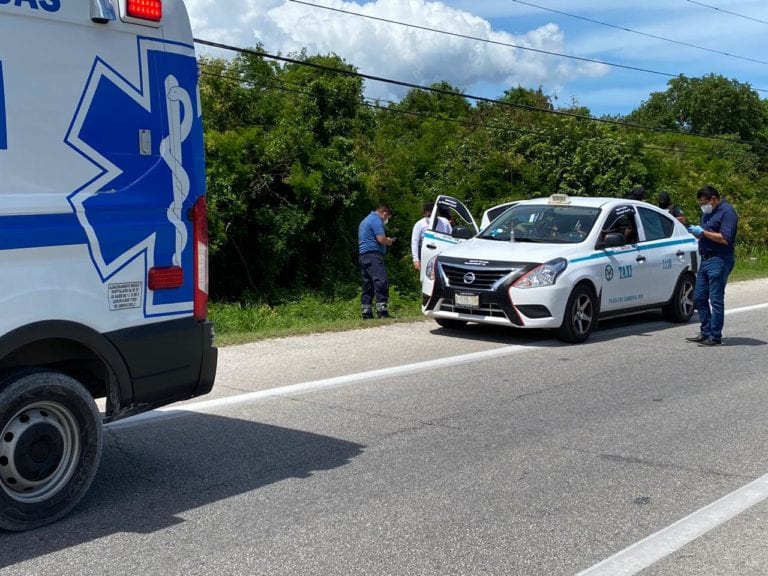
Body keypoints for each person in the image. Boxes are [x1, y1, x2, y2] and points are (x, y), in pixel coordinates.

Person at [685, 185, 738, 346]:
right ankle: (705, 331)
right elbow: (706, 233)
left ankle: (715, 336)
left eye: (704, 202)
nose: (703, 206)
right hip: (706, 258)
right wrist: (698, 233)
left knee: (715, 299)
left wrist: (703, 233)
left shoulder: (727, 212)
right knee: (699, 297)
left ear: (713, 199)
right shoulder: (708, 214)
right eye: (700, 203)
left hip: (720, 259)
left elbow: (725, 238)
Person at [358, 205, 395, 319]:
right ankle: (382, 312)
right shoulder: (376, 220)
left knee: (368, 285)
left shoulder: (365, 220)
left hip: (363, 256)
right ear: (384, 214)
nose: (386, 220)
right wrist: (389, 241)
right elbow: (381, 239)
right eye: (387, 217)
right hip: (373, 255)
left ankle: (366, 313)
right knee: (381, 281)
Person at [410, 202, 452, 271]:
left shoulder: (445, 222)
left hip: (443, 256)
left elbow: (452, 237)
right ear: (424, 214)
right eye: (429, 215)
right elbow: (414, 242)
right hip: (427, 255)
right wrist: (416, 260)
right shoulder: (419, 224)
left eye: (433, 215)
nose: (431, 218)